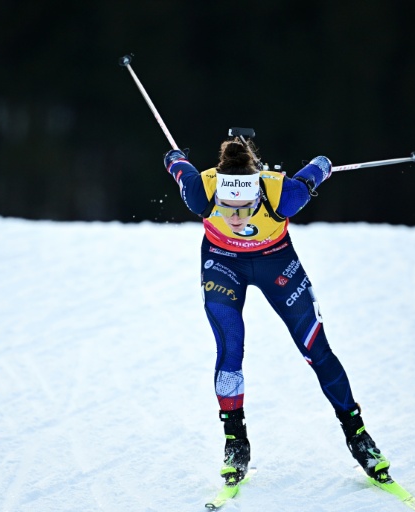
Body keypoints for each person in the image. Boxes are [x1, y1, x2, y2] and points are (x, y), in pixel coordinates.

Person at [162, 135, 391, 487]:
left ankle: (358, 435)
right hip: (223, 264)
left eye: (245, 207)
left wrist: (323, 165)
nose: (236, 218)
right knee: (229, 349)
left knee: (316, 348)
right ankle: (235, 442)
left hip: (276, 264)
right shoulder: (201, 191)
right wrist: (174, 156)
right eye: (226, 206)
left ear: (258, 194)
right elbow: (179, 169)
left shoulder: (283, 193)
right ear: (217, 194)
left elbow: (312, 172)